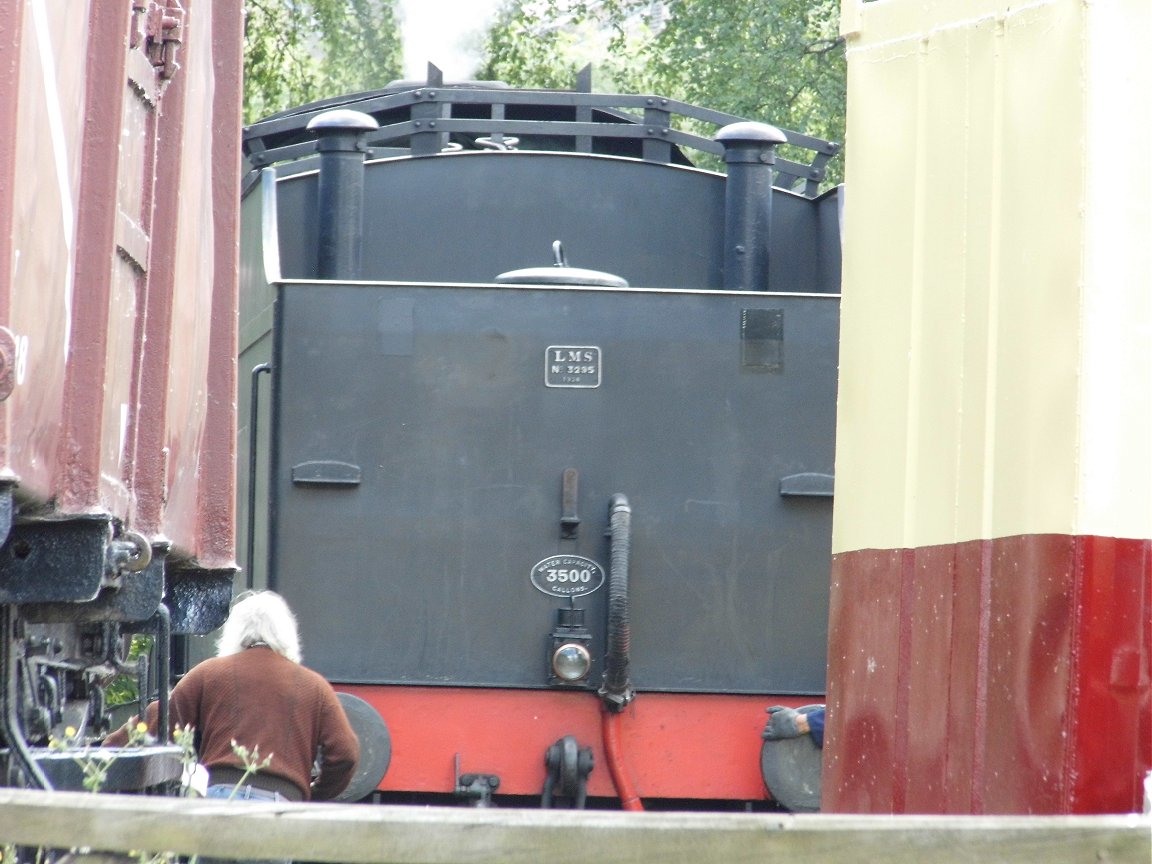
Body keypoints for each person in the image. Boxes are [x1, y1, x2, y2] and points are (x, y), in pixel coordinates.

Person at [106, 590, 359, 803]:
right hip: (281, 808)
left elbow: (158, 720)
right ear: (287, 635)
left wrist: (106, 750)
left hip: (222, 798)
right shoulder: (314, 686)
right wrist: (315, 793)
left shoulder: (210, 673)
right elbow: (345, 753)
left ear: (234, 632)